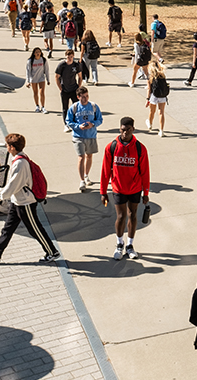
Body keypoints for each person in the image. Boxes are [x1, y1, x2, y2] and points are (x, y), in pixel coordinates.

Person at [0, 133, 60, 265]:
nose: (6, 147)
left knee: (35, 229)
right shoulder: (22, 158)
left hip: (25, 203)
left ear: (12, 147)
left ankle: (52, 252)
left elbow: (14, 184)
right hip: (17, 201)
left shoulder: (20, 163)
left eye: (7, 145)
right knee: (8, 229)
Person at [100, 117, 150, 260]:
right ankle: (119, 244)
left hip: (135, 188)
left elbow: (145, 172)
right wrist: (103, 192)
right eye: (123, 130)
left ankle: (130, 245)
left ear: (133, 129)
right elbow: (105, 171)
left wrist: (146, 192)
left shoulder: (140, 148)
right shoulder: (111, 147)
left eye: (128, 130)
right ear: (119, 129)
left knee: (133, 215)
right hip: (118, 188)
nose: (125, 133)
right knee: (121, 216)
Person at [66, 86, 103, 192]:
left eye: (87, 96)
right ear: (78, 97)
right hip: (78, 136)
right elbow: (68, 121)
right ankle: (82, 180)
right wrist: (78, 126)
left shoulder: (94, 106)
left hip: (91, 135)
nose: (85, 98)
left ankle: (86, 175)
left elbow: (100, 119)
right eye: (83, 97)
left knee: (89, 156)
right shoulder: (74, 108)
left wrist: (93, 124)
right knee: (81, 157)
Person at [54, 49, 83, 125]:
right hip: (65, 90)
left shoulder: (76, 65)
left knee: (77, 107)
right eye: (68, 57)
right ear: (65, 56)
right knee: (65, 108)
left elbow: (80, 76)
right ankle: (66, 124)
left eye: (71, 57)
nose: (70, 58)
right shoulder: (62, 65)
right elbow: (56, 76)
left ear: (73, 56)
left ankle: (77, 122)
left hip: (74, 89)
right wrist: (60, 87)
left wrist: (79, 87)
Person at [145, 61, 170, 136]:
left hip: (154, 96)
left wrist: (147, 99)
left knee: (152, 111)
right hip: (162, 95)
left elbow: (149, 89)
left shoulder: (150, 76)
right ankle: (161, 130)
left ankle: (150, 123)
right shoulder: (162, 75)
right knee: (161, 112)